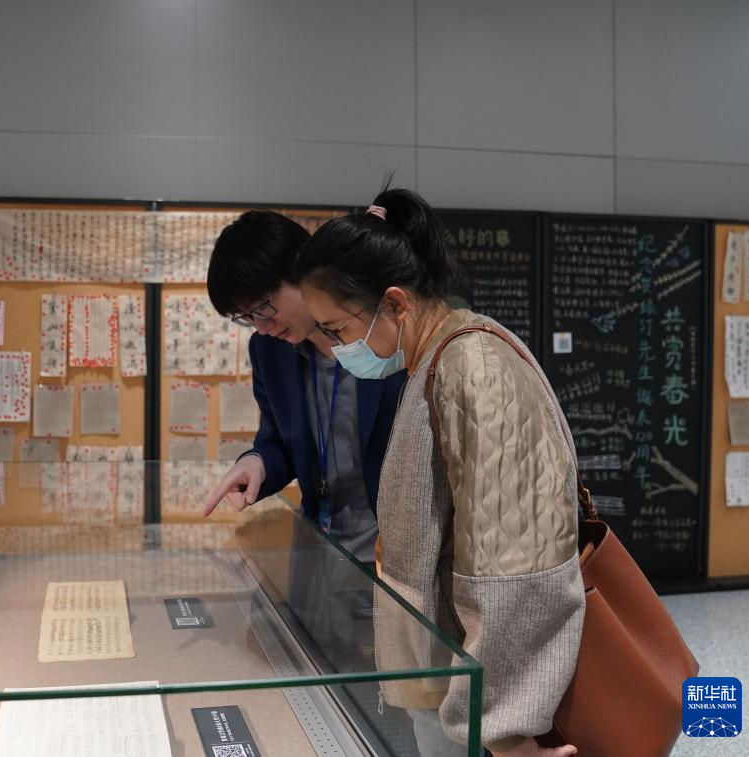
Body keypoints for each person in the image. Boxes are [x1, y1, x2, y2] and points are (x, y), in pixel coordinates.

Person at [296, 188, 584, 757]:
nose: (336, 348)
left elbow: (515, 561)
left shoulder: (473, 365)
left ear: (394, 303)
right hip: (451, 681)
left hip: (481, 698)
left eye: (337, 329)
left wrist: (506, 730)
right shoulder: (433, 360)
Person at [201, 210, 406, 568]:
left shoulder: (381, 333)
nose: (261, 327)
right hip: (318, 548)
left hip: (391, 554)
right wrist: (256, 462)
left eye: (263, 308)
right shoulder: (268, 351)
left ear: (302, 271)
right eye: (246, 318)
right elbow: (279, 440)